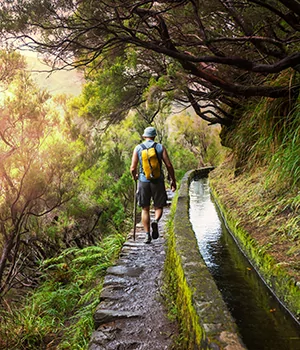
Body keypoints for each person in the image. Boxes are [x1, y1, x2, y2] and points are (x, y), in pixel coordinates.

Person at [130, 126, 177, 244]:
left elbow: (132, 168)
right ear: (154, 136)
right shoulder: (160, 147)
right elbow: (169, 165)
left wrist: (135, 176)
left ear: (144, 136)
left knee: (145, 209)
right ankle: (155, 220)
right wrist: (173, 180)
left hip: (143, 181)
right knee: (159, 206)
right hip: (158, 181)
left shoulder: (138, 148)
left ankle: (147, 236)